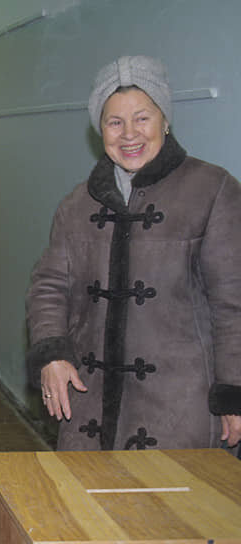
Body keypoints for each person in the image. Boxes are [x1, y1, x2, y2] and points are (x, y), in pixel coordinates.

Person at [26, 55, 241, 451]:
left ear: (164, 120)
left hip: (181, 409)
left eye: (142, 118)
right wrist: (52, 353)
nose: (129, 134)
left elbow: (233, 302)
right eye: (114, 122)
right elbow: (49, 286)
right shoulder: (76, 205)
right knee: (83, 510)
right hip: (89, 407)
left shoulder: (214, 190)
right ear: (99, 129)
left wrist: (234, 394)